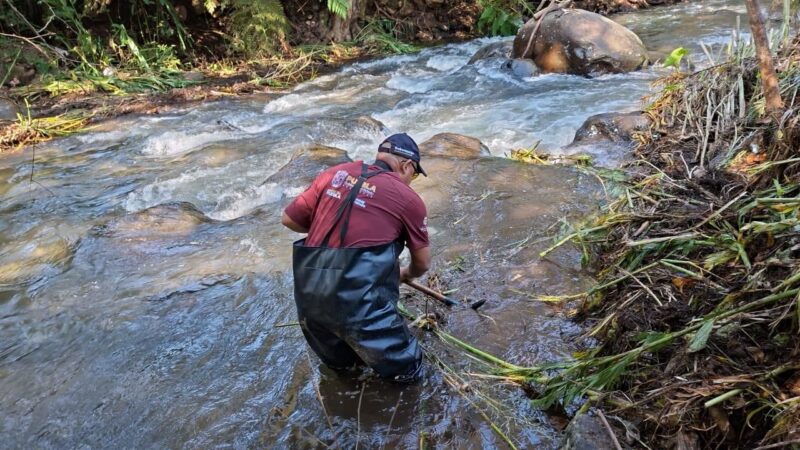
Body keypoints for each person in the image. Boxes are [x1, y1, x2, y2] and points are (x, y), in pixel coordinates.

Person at [281, 133, 431, 383]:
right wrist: (405, 274)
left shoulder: (334, 173)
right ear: (406, 166)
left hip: (309, 300)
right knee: (409, 372)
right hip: (360, 307)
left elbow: (289, 220)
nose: (411, 182)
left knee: (344, 372)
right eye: (414, 175)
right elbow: (423, 263)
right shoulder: (407, 199)